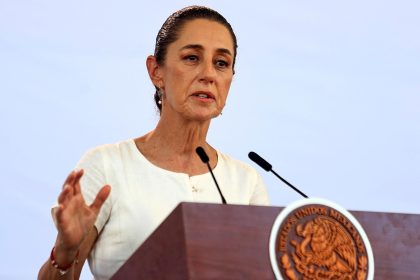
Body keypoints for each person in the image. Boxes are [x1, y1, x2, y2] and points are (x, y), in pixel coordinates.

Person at [38, 5, 269, 280]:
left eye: (221, 63)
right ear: (156, 71)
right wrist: (65, 251)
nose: (209, 74)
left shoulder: (245, 182)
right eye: (192, 58)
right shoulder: (107, 166)